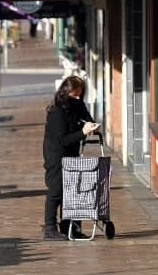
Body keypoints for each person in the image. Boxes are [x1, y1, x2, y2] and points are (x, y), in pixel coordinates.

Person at [42, 75, 100, 240]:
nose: (77, 98)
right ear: (65, 93)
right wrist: (83, 132)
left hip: (72, 152)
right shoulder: (57, 112)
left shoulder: (78, 105)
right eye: (74, 95)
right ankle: (50, 228)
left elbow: (86, 118)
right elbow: (62, 140)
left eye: (80, 95)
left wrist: (93, 126)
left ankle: (71, 227)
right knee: (56, 190)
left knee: (72, 190)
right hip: (57, 154)